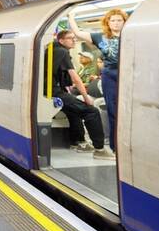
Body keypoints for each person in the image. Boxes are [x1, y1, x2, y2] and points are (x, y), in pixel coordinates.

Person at [45, 30, 114, 160]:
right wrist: (86, 97)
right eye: (70, 38)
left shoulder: (51, 50)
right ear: (61, 41)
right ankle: (99, 149)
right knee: (91, 111)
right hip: (54, 92)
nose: (74, 40)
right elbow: (75, 78)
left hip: (49, 91)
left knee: (73, 111)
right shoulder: (62, 52)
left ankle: (78, 142)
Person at [68, 8, 128, 151]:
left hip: (127, 72)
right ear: (108, 22)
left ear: (124, 22)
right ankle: (115, 147)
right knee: (113, 110)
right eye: (112, 20)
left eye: (119, 20)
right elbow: (77, 33)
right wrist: (71, 16)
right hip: (109, 74)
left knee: (127, 110)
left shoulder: (131, 35)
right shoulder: (100, 37)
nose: (116, 23)